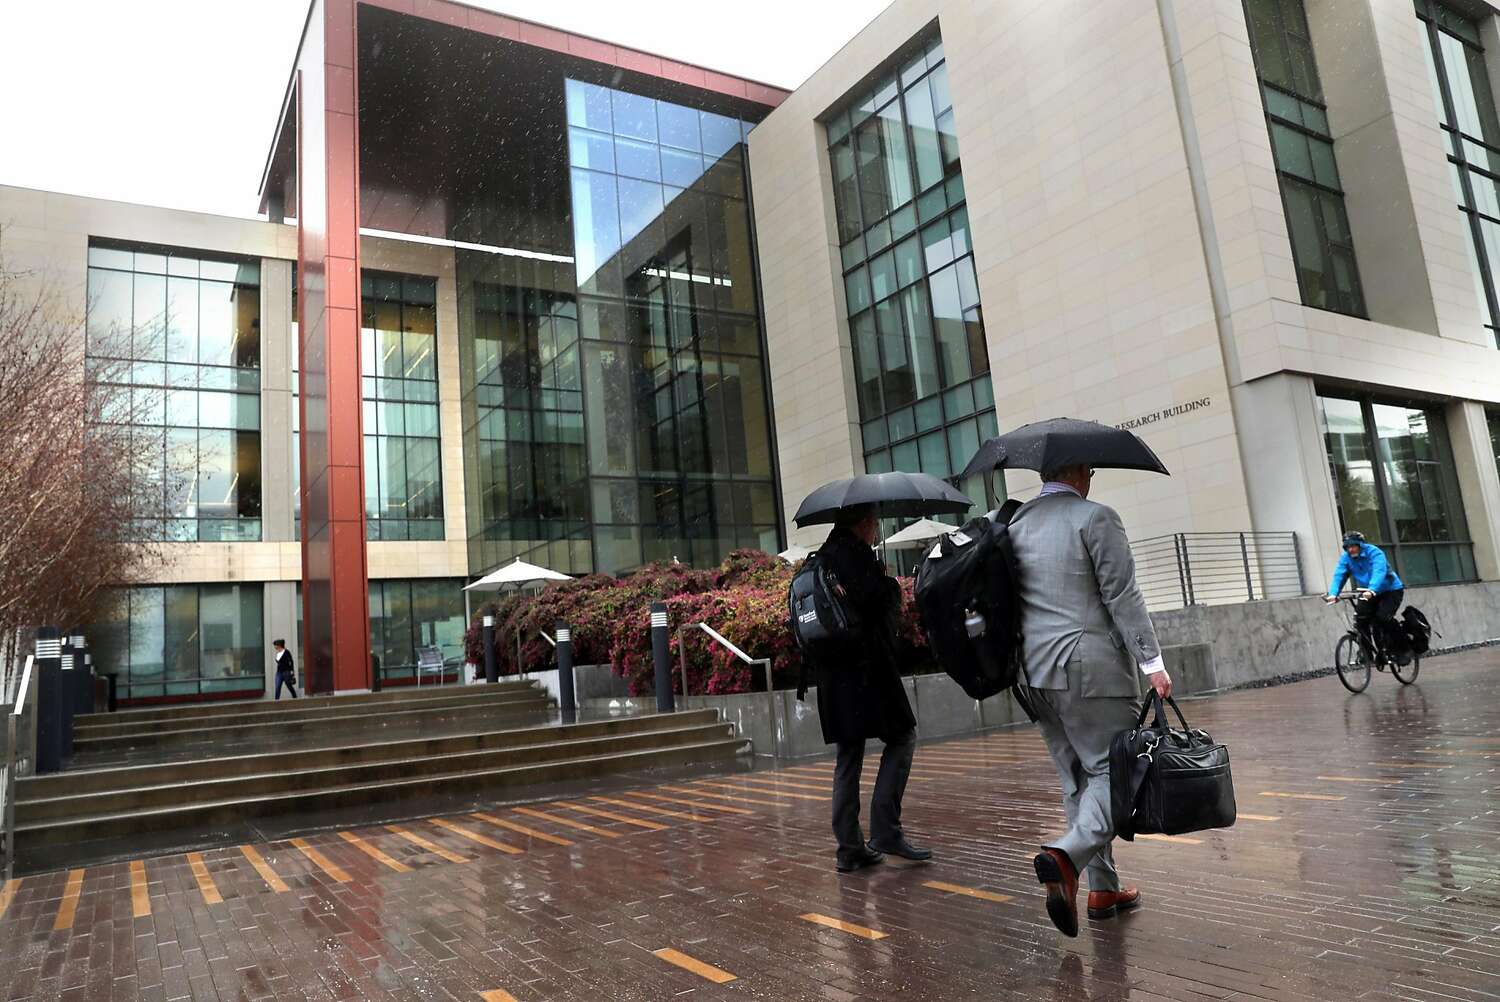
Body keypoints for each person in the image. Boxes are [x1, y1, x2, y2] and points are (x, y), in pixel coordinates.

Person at [1007, 464, 1171, 937]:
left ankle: (1102, 887)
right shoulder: (1095, 518)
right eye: (1091, 470)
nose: (1093, 477)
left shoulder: (1016, 524)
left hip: (1032, 674)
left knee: (1078, 778)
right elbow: (1122, 594)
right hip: (1089, 668)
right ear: (1078, 470)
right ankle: (1067, 857)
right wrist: (1152, 662)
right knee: (1113, 772)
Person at [812, 504, 931, 873]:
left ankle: (849, 848)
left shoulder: (820, 560)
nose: (877, 531)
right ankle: (885, 830)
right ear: (864, 525)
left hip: (832, 677)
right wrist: (890, 583)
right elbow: (877, 600)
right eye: (875, 525)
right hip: (866, 672)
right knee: (903, 736)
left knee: (848, 758)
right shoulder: (854, 556)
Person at [1324, 531, 1406, 661]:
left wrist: (1372, 589)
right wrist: (1333, 594)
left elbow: (1379, 572)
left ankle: (1402, 650)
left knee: (1383, 618)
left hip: (1390, 590)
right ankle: (1366, 653)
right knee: (1360, 619)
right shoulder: (1346, 558)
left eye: (1353, 546)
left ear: (1361, 544)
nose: (1350, 549)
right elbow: (1339, 576)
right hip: (1368, 592)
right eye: (1347, 547)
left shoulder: (1375, 553)